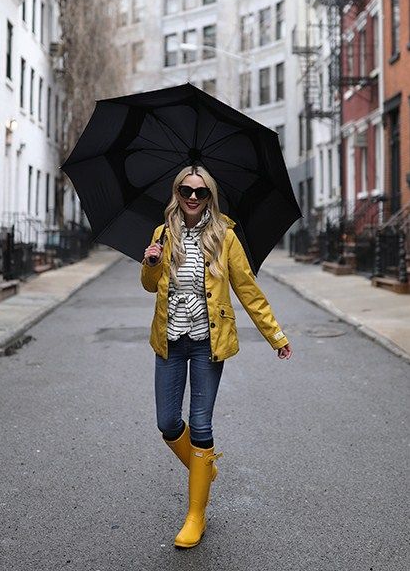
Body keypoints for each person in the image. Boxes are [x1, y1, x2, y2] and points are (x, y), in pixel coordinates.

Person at [141, 164, 292, 549]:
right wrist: (151, 261)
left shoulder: (225, 236)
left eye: (201, 192)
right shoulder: (162, 234)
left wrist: (275, 334)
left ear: (210, 196)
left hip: (208, 341)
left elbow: (248, 289)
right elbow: (149, 285)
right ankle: (203, 468)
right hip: (170, 339)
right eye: (186, 191)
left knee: (200, 424)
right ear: (176, 193)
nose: (193, 198)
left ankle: (196, 516)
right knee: (167, 422)